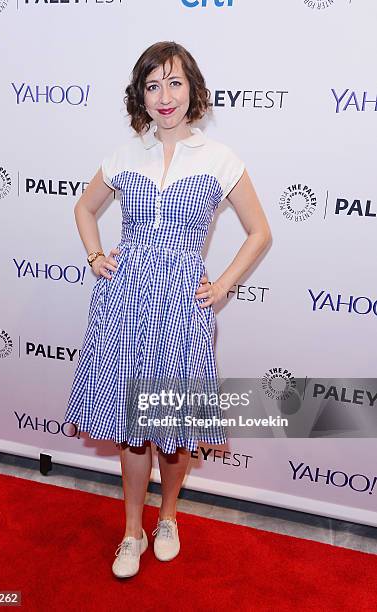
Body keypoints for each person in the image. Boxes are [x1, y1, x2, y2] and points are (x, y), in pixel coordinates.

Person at [64, 41, 271, 579]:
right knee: (135, 428)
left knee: (172, 425)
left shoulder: (219, 158)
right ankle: (131, 531)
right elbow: (85, 209)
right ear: (141, 94)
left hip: (181, 306)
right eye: (152, 85)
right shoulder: (125, 153)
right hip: (124, 303)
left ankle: (169, 517)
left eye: (174, 83)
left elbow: (259, 232)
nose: (164, 95)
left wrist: (223, 283)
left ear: (192, 90)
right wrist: (95, 255)